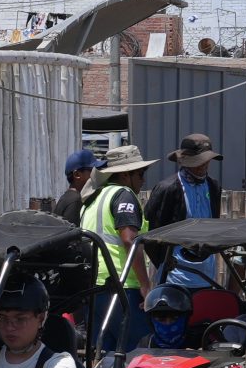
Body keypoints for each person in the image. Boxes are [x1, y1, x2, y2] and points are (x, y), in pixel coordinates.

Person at [79, 144, 153, 346]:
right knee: (136, 356)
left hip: (95, 289)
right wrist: (146, 287)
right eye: (140, 173)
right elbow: (130, 239)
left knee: (103, 360)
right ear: (126, 174)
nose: (143, 179)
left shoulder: (92, 198)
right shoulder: (124, 194)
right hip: (123, 287)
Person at [145, 135, 224, 293]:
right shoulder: (167, 188)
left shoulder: (213, 186)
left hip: (206, 272)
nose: (204, 165)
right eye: (199, 161)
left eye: (206, 160)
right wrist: (164, 263)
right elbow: (152, 235)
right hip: (175, 274)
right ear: (185, 161)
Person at [51, 148, 99, 223]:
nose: (95, 174)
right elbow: (71, 233)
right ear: (77, 175)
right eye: (92, 170)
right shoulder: (75, 200)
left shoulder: (68, 197)